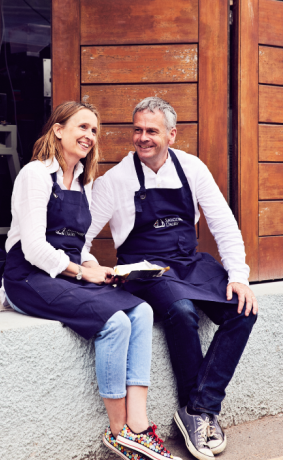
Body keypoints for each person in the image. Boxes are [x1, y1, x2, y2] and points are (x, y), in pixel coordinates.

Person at [0, 101, 181, 460]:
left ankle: (138, 427)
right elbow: (32, 247)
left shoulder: (83, 179)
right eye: (81, 127)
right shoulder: (35, 174)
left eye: (94, 130)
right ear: (58, 130)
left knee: (139, 310)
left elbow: (82, 244)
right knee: (114, 322)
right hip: (27, 277)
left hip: (67, 272)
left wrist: (98, 267)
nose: (89, 136)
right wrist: (82, 272)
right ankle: (120, 432)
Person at [85, 97, 258, 460]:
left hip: (187, 262)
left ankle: (197, 408)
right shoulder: (116, 180)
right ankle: (199, 414)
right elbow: (80, 236)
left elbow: (223, 224)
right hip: (143, 270)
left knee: (243, 309)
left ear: (172, 135)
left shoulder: (192, 168)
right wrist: (87, 267)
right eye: (137, 130)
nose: (142, 137)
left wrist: (239, 275)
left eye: (151, 130)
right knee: (180, 310)